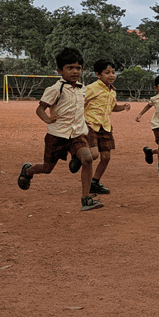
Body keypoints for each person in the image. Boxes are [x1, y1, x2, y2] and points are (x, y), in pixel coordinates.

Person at [17, 47, 103, 211]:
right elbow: (40, 109)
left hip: (76, 134)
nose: (75, 71)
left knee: (88, 159)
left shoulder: (82, 89)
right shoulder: (56, 89)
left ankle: (86, 199)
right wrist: (47, 119)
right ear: (60, 70)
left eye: (78, 68)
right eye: (70, 68)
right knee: (47, 168)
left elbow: (78, 108)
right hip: (57, 135)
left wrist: (84, 121)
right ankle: (28, 171)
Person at [83, 59, 131, 195]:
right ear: (98, 74)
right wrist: (81, 120)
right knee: (94, 154)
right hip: (91, 124)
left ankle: (95, 182)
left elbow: (112, 107)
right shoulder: (91, 88)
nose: (111, 75)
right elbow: (80, 103)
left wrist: (123, 107)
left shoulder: (112, 91)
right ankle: (77, 156)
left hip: (105, 127)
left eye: (113, 72)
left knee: (106, 157)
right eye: (107, 72)